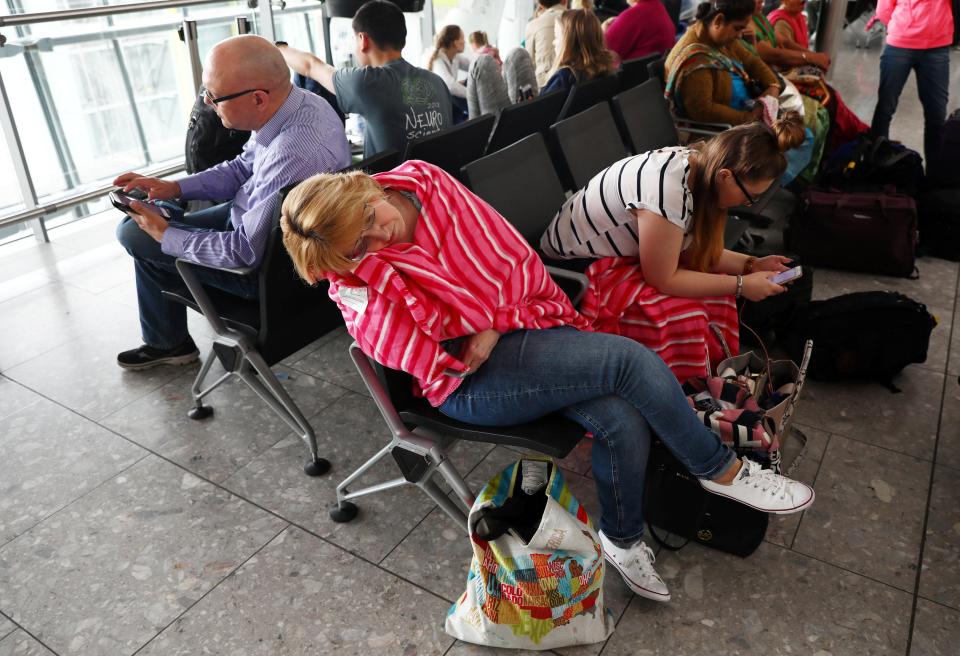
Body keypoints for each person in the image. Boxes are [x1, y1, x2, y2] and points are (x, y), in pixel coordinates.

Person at [279, 158, 815, 602]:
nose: (379, 235)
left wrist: (491, 320)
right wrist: (370, 274)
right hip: (469, 382)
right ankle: (718, 467)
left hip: (521, 324)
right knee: (626, 362)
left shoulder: (424, 182)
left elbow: (508, 256)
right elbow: (416, 355)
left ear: (362, 187)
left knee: (620, 415)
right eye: (358, 244)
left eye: (368, 218)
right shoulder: (353, 275)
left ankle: (622, 541)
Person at [113, 35, 349, 370]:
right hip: (251, 218)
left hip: (263, 274)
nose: (207, 102)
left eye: (214, 96)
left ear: (257, 98)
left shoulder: (293, 154)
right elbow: (242, 167)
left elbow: (244, 253)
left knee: (136, 236)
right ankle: (166, 340)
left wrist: (166, 236)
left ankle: (168, 342)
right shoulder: (299, 105)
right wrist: (173, 188)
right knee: (139, 226)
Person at [540, 115, 806, 381]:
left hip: (612, 254)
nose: (748, 204)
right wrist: (741, 285)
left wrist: (752, 265)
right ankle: (670, 388)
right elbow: (664, 278)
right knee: (685, 314)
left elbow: (688, 249)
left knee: (714, 290)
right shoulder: (667, 192)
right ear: (726, 176)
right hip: (577, 266)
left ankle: (695, 381)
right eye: (750, 197)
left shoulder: (696, 166)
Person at [279, 0, 452, 159]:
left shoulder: (368, 83)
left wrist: (279, 48)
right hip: (437, 188)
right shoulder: (437, 82)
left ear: (363, 40)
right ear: (403, 39)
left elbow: (310, 66)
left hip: (388, 191)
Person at [763, 0, 869, 150]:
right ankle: (846, 141)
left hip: (787, 75)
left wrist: (813, 57)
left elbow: (786, 44)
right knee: (828, 102)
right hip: (783, 77)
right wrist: (811, 58)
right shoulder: (780, 21)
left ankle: (855, 136)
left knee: (831, 98)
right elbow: (779, 57)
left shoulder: (794, 17)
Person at [665, 0, 781, 125]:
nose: (740, 36)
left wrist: (772, 85)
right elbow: (703, 110)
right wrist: (750, 117)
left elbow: (751, 60)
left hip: (747, 115)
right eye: (737, 28)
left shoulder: (719, 39)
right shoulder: (695, 61)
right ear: (718, 21)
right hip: (723, 131)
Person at [869, 0, 954, 166]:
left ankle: (934, 177)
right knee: (885, 108)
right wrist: (903, 27)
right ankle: (876, 167)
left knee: (936, 115)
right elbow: (884, 9)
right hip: (900, 43)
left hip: (938, 46)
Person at [541, 9, 619, 94]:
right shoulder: (605, 72)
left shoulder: (563, 78)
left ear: (569, 43)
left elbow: (542, 106)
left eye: (556, 37)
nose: (553, 42)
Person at [604, 0, 677, 62]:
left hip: (629, 77)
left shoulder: (632, 16)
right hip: (650, 76)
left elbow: (599, 56)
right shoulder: (659, 8)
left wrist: (602, 31)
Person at [428, 25, 471, 122]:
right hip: (440, 106)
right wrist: (473, 94)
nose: (464, 41)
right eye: (462, 38)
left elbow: (473, 66)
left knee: (469, 81)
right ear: (455, 42)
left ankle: (473, 115)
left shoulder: (455, 57)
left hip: (449, 102)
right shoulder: (438, 60)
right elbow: (450, 86)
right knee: (453, 93)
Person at [525, 0, 568, 87]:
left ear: (540, 4)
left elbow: (529, 65)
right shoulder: (577, 20)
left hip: (545, 87)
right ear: (564, 1)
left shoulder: (532, 25)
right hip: (575, 82)